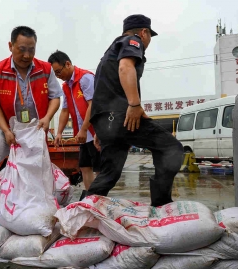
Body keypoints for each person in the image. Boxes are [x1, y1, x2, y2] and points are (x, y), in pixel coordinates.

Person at [87, 14, 183, 207]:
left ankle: (81, 211)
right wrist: (133, 104)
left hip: (107, 120)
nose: (147, 41)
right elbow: (125, 68)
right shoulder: (133, 41)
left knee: (109, 174)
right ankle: (162, 204)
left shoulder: (108, 53)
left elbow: (102, 90)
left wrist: (101, 128)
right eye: (149, 36)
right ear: (144, 32)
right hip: (120, 116)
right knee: (171, 148)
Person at [0, 26, 62, 219]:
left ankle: (37, 206)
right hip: (7, 126)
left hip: (35, 127)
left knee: (37, 167)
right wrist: (6, 130)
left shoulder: (45, 69)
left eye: (31, 50)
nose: (27, 55)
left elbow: (55, 97)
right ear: (10, 46)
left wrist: (47, 118)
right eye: (22, 49)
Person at [47, 50, 100, 200]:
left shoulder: (85, 78)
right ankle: (91, 199)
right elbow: (65, 111)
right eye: (55, 74)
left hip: (95, 131)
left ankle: (100, 199)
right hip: (83, 134)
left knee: (100, 169)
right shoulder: (66, 86)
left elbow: (93, 105)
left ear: (68, 64)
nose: (58, 76)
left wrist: (83, 129)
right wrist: (58, 133)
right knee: (84, 167)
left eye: (58, 72)